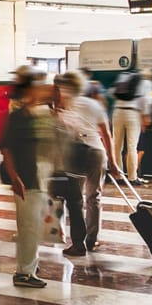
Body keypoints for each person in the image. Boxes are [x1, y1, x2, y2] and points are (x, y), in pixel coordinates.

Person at [53, 71, 120, 256]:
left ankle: (78, 244)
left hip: (76, 153)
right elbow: (106, 134)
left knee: (75, 201)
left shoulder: (64, 105)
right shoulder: (94, 104)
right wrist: (113, 162)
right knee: (94, 197)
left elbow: (60, 134)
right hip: (97, 152)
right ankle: (92, 239)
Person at [0, 69, 54, 288]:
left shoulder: (39, 115)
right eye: (38, 87)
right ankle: (24, 272)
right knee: (29, 227)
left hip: (39, 177)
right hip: (25, 179)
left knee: (33, 225)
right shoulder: (18, 117)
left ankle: (29, 266)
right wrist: (15, 178)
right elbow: (6, 148)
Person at [111, 68, 150, 186]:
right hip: (133, 113)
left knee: (117, 146)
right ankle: (132, 177)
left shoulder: (121, 78)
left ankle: (118, 176)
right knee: (132, 146)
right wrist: (145, 116)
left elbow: (112, 93)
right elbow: (144, 99)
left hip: (117, 112)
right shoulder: (142, 81)